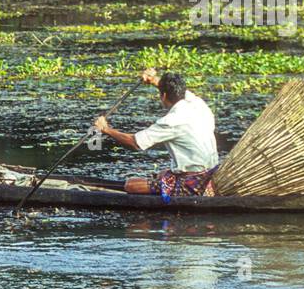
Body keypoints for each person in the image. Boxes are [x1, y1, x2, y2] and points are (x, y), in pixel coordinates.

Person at [93, 69, 220, 199]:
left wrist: (105, 129)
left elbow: (135, 142)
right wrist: (154, 80)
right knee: (161, 174)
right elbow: (177, 91)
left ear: (164, 96)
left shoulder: (172, 120)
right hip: (211, 173)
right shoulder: (198, 103)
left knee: (130, 185)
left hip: (193, 183)